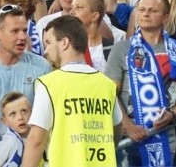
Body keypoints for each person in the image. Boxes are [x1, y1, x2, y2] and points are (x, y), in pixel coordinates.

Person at [105, 0, 176, 166]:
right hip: (128, 137)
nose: (145, 14)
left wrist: (172, 115)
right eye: (141, 10)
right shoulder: (121, 48)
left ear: (165, 17)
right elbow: (109, 93)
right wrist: (128, 126)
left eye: (152, 10)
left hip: (165, 134)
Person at [22, 16, 121, 167]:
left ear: (64, 43)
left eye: (48, 42)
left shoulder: (49, 84)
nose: (46, 50)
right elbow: (117, 128)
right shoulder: (106, 84)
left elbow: (36, 139)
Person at [0, 5, 51, 145]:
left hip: (30, 152)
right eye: (15, 31)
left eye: (24, 30)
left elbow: (43, 117)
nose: (22, 37)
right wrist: (0, 155)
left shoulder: (41, 67)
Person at [0, 92, 31, 167]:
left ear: (32, 113)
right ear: (5, 121)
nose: (20, 117)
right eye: (13, 114)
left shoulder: (37, 137)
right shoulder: (8, 142)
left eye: (24, 111)